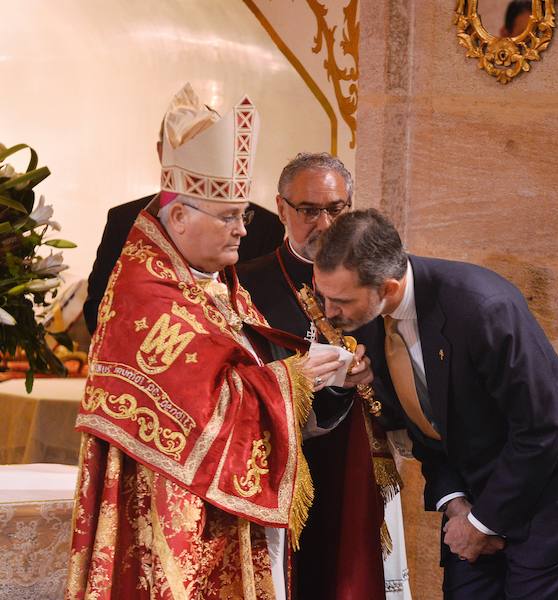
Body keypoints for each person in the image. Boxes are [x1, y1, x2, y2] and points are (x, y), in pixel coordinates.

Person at [66, 83, 343, 600]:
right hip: (170, 510)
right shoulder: (144, 296)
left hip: (225, 504)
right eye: (229, 217)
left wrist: (305, 378)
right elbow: (195, 408)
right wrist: (291, 379)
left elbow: (242, 374)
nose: (242, 230)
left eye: (243, 216)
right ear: (178, 218)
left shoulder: (222, 288)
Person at [311, 209, 558, 600]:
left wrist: (482, 523)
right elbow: (424, 421)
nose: (330, 312)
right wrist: (456, 505)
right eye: (324, 295)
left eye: (340, 301)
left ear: (387, 287)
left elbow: (541, 429)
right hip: (473, 491)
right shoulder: (366, 317)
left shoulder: (483, 307)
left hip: (551, 489)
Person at [236, 153, 410, 599]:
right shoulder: (244, 283)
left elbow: (400, 376)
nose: (326, 223)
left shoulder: (376, 280)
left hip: (355, 464)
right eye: (310, 210)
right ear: (281, 208)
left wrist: (371, 379)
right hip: (277, 466)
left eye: (337, 209)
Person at [82, 120, 284, 334]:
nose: (200, 161)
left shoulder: (263, 227)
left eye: (211, 149)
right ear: (162, 153)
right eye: (188, 151)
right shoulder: (124, 221)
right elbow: (98, 310)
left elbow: (269, 316)